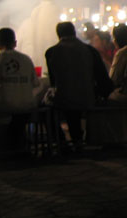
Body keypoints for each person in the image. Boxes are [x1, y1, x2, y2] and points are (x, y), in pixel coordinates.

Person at [45, 22, 114, 151]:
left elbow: (53, 81)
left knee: (46, 108)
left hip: (64, 98)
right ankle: (79, 139)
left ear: (58, 34)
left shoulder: (51, 52)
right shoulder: (90, 50)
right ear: (74, 33)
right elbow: (102, 77)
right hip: (88, 96)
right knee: (75, 100)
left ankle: (61, 141)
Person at [0, 28, 42, 151]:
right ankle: (19, 143)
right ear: (15, 43)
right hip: (26, 106)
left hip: (2, 107)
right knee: (18, 115)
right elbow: (36, 83)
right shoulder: (26, 59)